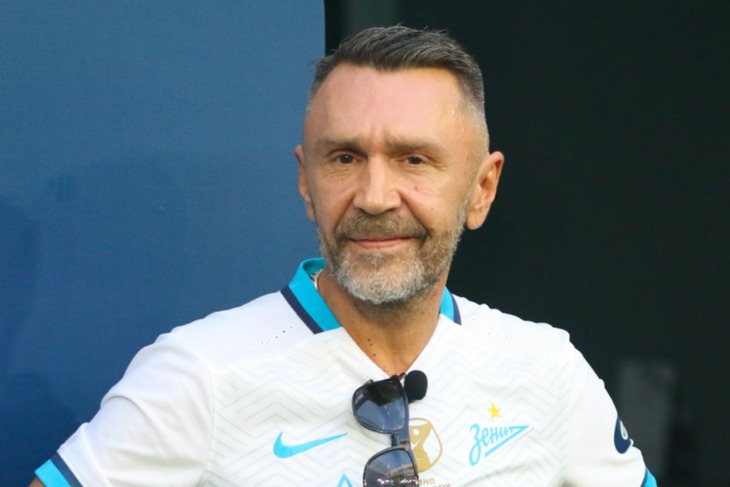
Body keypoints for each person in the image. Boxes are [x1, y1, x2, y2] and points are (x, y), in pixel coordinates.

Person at [30, 26, 656, 486]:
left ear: (481, 189)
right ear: (307, 183)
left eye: (414, 159)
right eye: (345, 158)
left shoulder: (547, 370)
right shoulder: (199, 375)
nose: (375, 197)